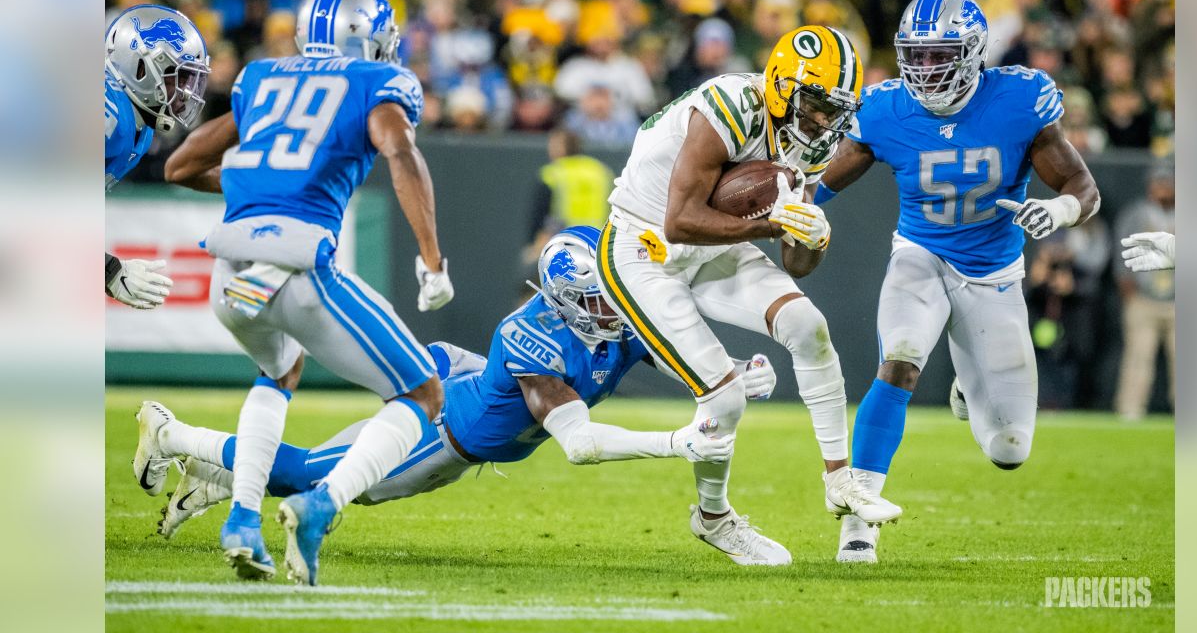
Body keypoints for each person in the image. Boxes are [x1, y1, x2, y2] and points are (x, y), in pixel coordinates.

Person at [139, 227, 777, 544]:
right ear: (564, 303)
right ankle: (171, 433)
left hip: (465, 373)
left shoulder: (609, 309)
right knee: (314, 479)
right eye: (598, 299)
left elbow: (673, 354)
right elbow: (578, 443)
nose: (615, 309)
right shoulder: (539, 339)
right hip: (446, 426)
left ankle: (219, 476)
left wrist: (731, 375)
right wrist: (676, 443)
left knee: (317, 471)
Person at [154, 0, 454, 586]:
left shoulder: (263, 76)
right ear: (368, 35)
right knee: (424, 395)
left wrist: (255, 189)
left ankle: (241, 520)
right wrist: (431, 258)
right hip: (297, 266)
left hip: (230, 271)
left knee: (279, 372)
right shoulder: (378, 83)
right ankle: (321, 506)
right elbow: (398, 150)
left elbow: (180, 165)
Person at [818, 0, 1101, 563]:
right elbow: (817, 187)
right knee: (898, 359)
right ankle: (858, 520)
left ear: (973, 50)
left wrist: (1060, 210)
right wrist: (783, 206)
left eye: (939, 54)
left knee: (1009, 449)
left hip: (995, 276)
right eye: (914, 55)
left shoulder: (1019, 100)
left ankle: (969, 384)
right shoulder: (885, 108)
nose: (924, 68)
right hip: (920, 257)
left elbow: (1083, 188)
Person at [600, 25, 900, 567]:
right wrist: (768, 225)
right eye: (816, 105)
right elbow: (681, 220)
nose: (825, 122)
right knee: (725, 397)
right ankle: (714, 519)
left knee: (809, 327)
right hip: (644, 245)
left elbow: (796, 264)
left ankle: (840, 479)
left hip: (711, 245)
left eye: (836, 110)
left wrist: (813, 235)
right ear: (783, 86)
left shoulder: (804, 141)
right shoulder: (733, 104)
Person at [104, 4, 210, 310]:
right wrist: (108, 270)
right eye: (177, 78)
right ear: (140, 68)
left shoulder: (140, 127)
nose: (187, 93)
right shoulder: (107, 116)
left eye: (191, 81)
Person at [1113, 168, 1176, 419]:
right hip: (1143, 298)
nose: (1162, 187)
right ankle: (1130, 409)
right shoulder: (1135, 214)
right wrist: (1128, 290)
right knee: (1138, 358)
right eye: (1157, 182)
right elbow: (1120, 251)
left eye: (1167, 183)